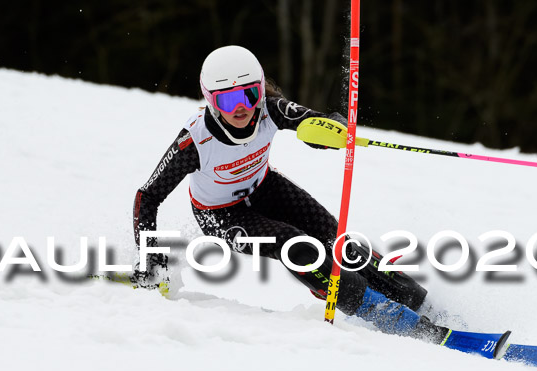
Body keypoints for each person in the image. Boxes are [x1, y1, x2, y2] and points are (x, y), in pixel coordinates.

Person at [133, 45, 446, 341]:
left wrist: (330, 130)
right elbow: (147, 196)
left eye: (249, 94)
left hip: (267, 187)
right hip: (222, 215)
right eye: (228, 101)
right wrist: (149, 256)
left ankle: (418, 303)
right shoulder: (194, 142)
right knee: (293, 243)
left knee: (336, 239)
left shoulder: (269, 110)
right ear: (211, 101)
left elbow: (309, 121)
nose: (241, 107)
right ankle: (384, 314)